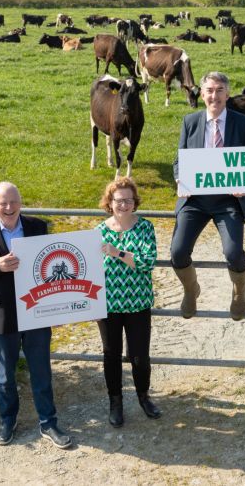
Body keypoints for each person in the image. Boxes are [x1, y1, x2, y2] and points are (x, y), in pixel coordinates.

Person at [0, 182, 73, 449]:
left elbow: (51, 268)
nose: (9, 208)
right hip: (1, 314)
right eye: (3, 203)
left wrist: (57, 305)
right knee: (5, 375)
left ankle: (48, 422)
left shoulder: (38, 226)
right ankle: (7, 421)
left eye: (13, 202)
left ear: (21, 202)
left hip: (37, 311)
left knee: (41, 371)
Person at [171, 71, 245, 321]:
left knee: (233, 254)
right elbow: (180, 159)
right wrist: (180, 178)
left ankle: (239, 291)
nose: (214, 95)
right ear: (201, 93)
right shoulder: (191, 121)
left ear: (228, 94)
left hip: (229, 200)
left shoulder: (243, 123)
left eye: (219, 90)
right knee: (177, 252)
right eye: (209, 90)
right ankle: (191, 289)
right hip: (195, 200)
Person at [95, 177, 162, 427]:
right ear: (110, 203)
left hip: (137, 303)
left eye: (129, 200)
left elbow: (146, 262)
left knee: (139, 356)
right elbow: (88, 271)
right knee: (110, 354)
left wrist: (117, 252)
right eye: (119, 200)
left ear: (135, 203)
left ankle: (143, 397)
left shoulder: (145, 227)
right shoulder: (98, 232)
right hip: (107, 305)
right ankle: (115, 401)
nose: (124, 204)